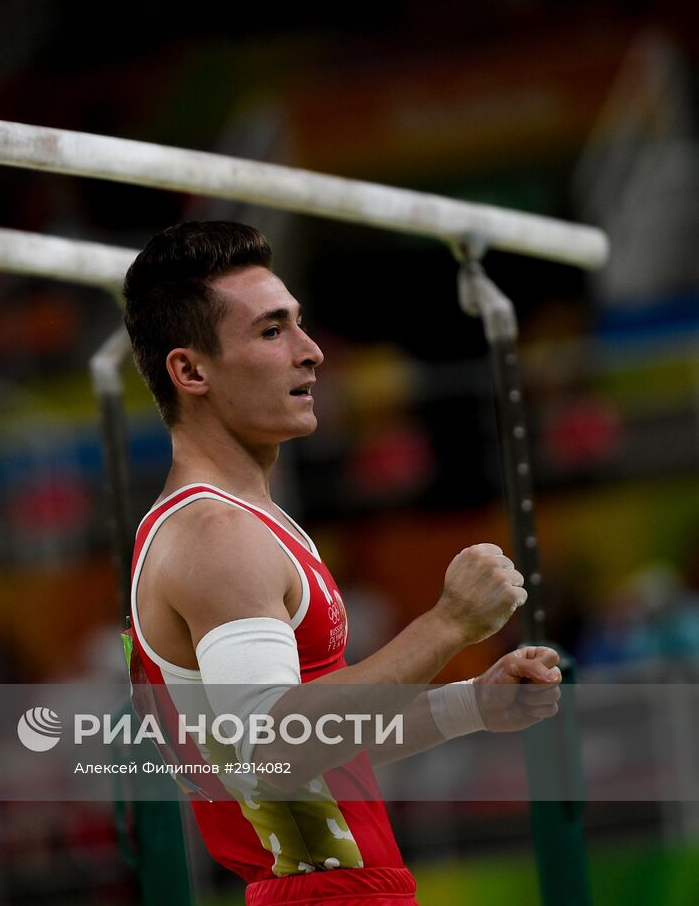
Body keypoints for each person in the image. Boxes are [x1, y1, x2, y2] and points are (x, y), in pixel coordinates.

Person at [121, 221, 562, 905]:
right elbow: (276, 753)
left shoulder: (247, 522)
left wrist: (470, 704)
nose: (312, 352)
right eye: (272, 331)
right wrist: (447, 624)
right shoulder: (218, 534)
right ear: (190, 370)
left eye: (300, 323)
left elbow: (316, 746)